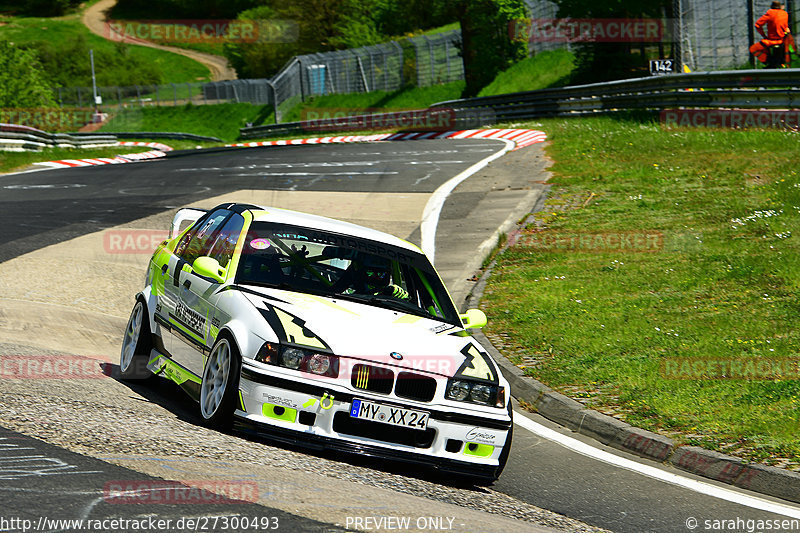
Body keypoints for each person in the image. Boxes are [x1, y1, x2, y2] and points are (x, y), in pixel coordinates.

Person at [751, 1, 791, 68]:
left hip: (771, 40)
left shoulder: (770, 13)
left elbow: (757, 25)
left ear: (772, 6)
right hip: (783, 40)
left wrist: (763, 35)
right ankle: (779, 63)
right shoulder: (785, 14)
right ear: (781, 7)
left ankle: (769, 61)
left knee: (753, 49)